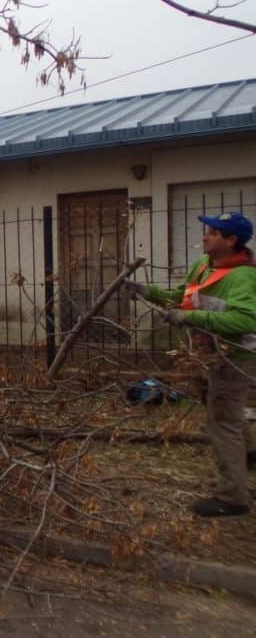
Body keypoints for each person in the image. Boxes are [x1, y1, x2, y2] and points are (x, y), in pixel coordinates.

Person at [126, 211, 256, 518]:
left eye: (212, 232)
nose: (204, 236)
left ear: (231, 240)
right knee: (217, 407)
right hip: (206, 354)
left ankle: (233, 498)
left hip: (236, 357)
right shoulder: (203, 267)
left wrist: (192, 318)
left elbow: (247, 319)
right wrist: (150, 293)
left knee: (222, 421)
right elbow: (183, 299)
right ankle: (249, 453)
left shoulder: (245, 277)